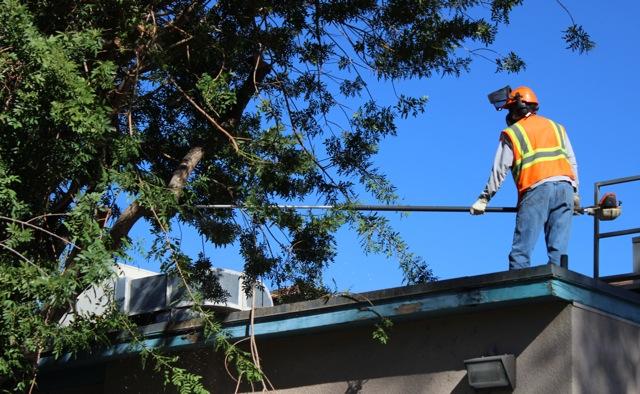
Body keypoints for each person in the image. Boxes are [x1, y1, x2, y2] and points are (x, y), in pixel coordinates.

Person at [470, 86, 580, 269]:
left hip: (536, 189)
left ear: (518, 108)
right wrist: (575, 192)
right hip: (566, 188)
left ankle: (519, 293)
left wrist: (484, 199)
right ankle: (559, 289)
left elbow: (500, 169)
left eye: (510, 110)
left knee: (521, 252)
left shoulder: (513, 133)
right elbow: (572, 161)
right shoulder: (557, 127)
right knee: (558, 253)